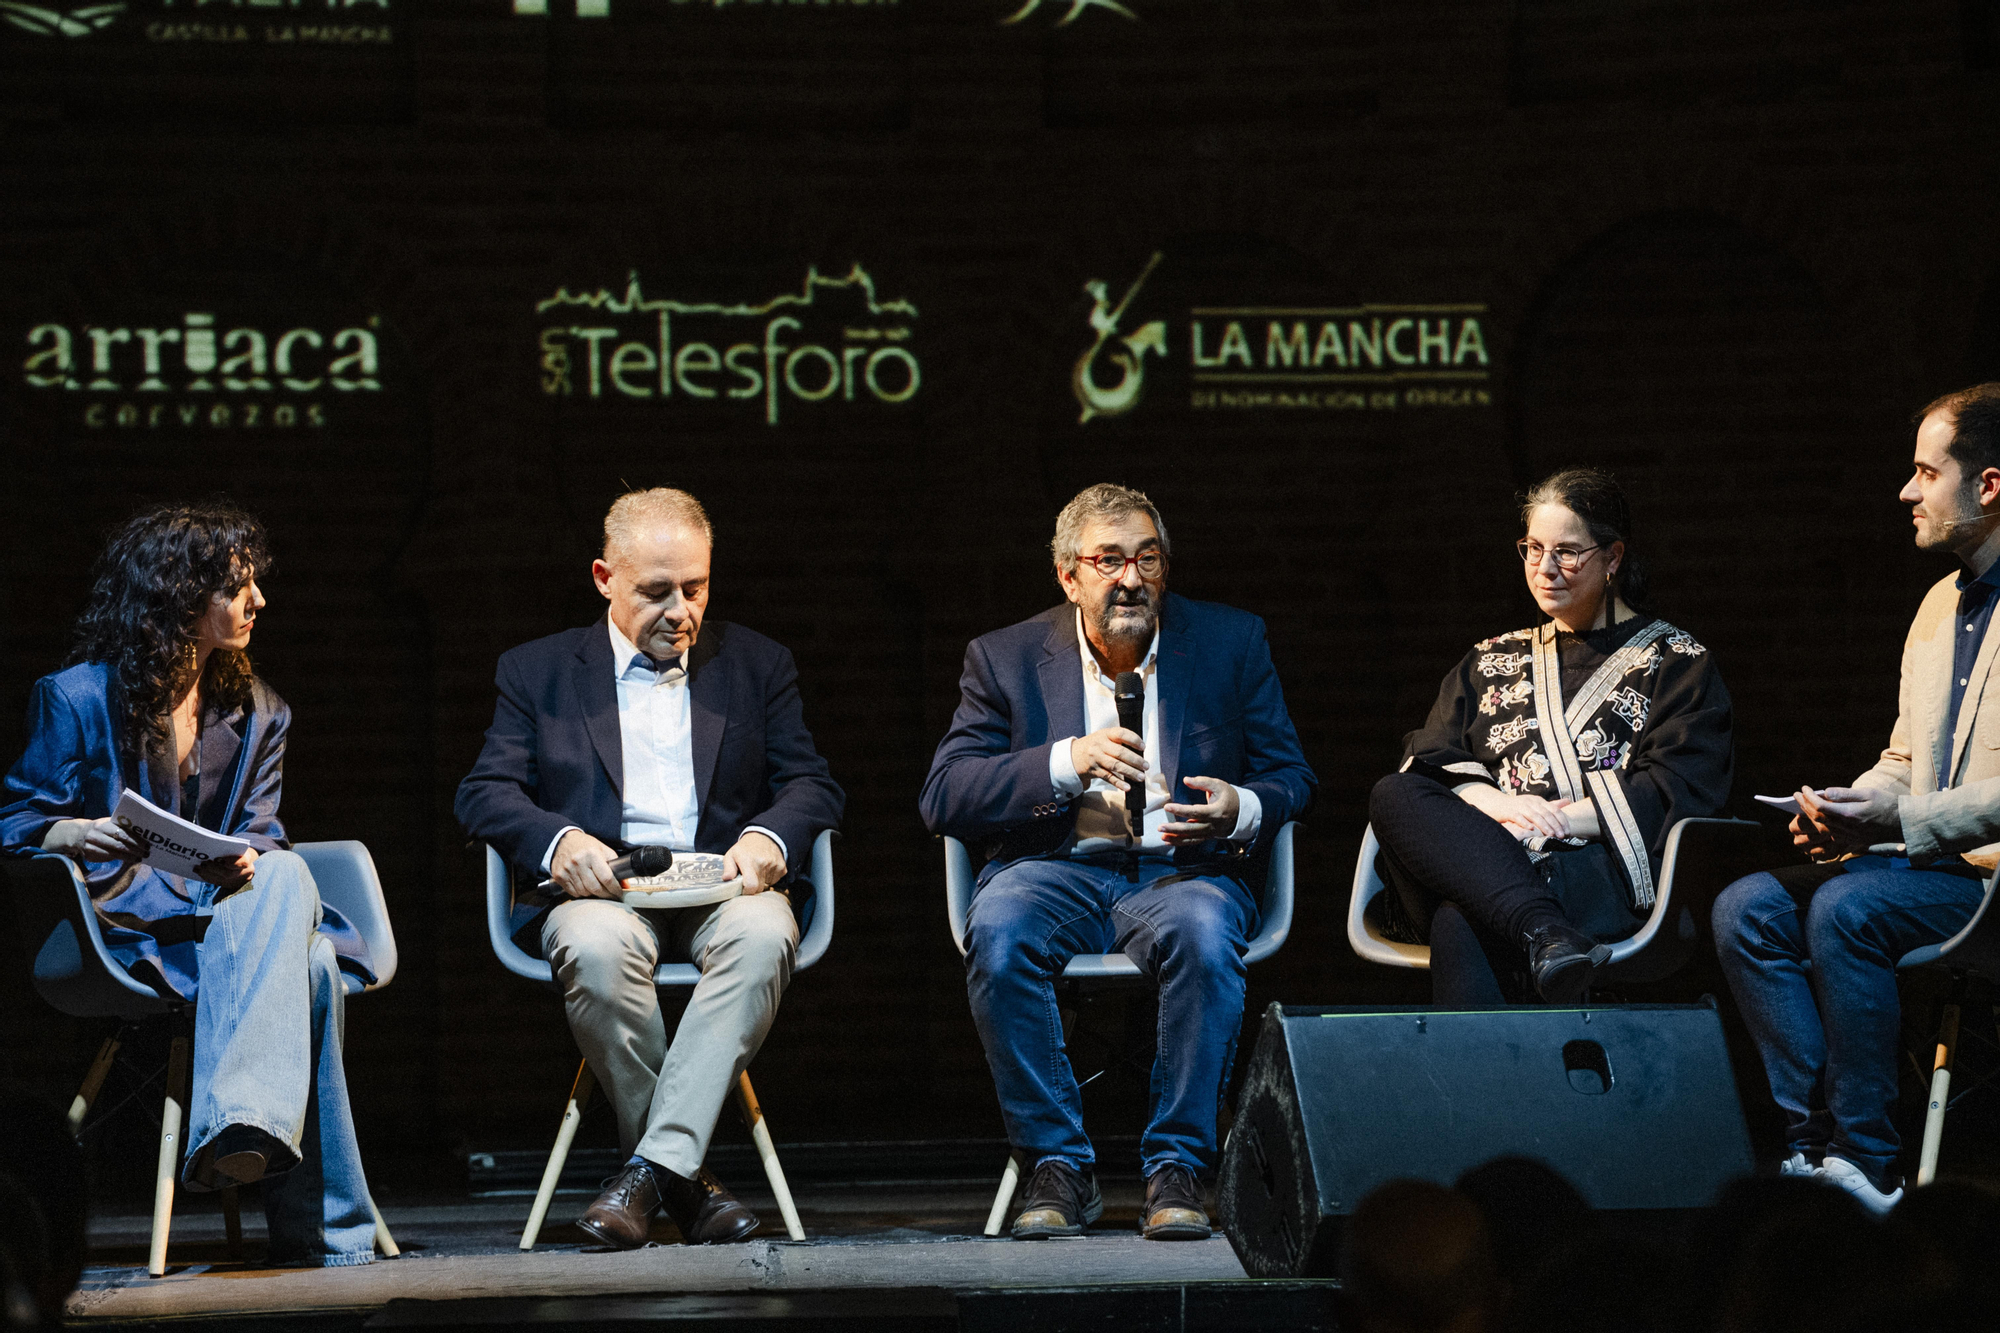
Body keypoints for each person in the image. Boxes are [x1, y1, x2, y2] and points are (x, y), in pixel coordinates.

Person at [920, 483, 1315, 1242]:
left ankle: (1179, 1165)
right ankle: (1057, 1163)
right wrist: (1066, 761)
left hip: (1180, 870)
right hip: (1056, 868)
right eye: (1108, 560)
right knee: (998, 933)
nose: (1130, 577)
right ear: (1069, 575)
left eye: (1147, 557)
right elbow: (944, 795)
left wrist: (1243, 805)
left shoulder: (1231, 641)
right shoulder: (1003, 658)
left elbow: (1293, 775)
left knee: (1204, 934)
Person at [456, 488, 842, 1250]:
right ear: (605, 577)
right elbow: (483, 793)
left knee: (767, 935)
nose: (680, 610)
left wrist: (770, 834)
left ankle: (647, 1174)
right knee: (597, 949)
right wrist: (559, 841)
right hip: (605, 891)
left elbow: (813, 783)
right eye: (655, 591)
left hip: (723, 888)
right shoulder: (538, 671)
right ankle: (687, 1182)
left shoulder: (757, 663)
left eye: (694, 588)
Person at [0, 502, 381, 1267]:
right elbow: (15, 817)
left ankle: (240, 1126)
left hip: (226, 915)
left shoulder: (258, 708)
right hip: (123, 923)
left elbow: (262, 830)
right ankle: (330, 1228)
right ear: (180, 593)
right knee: (307, 965)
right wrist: (70, 831)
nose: (258, 602)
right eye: (239, 586)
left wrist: (234, 863)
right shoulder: (74, 696)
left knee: (283, 871)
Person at [1713, 384, 2000, 1216]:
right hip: (1924, 865)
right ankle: (1811, 1149)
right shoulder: (1939, 604)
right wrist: (1852, 803)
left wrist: (1900, 821)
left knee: (1846, 909)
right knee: (1744, 909)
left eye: (1924, 471)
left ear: (1988, 485)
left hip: (1984, 880)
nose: (1907, 492)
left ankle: (1866, 1164)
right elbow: (1908, 759)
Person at [1369, 468, 1733, 1007]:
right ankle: (1545, 931)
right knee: (1393, 793)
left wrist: (1552, 820)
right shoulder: (1490, 657)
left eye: (1567, 552)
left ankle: (1489, 1086)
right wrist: (1497, 808)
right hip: (1487, 857)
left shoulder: (1676, 662)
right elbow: (1432, 756)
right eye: (1533, 548)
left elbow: (1676, 787)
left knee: (1463, 918)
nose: (1544, 569)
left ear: (1613, 558)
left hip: (1595, 870)